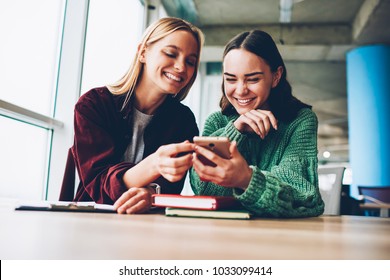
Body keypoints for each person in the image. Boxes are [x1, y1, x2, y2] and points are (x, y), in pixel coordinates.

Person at [60, 17, 204, 214]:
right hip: (92, 219)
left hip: (148, 224)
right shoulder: (94, 105)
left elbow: (170, 187)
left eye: (190, 61)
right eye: (171, 53)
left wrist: (152, 195)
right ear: (143, 52)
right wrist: (153, 165)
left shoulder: (183, 121)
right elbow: (97, 182)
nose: (181, 67)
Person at [189, 30, 324, 218]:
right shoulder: (217, 122)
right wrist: (235, 131)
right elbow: (205, 193)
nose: (240, 90)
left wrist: (246, 179)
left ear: (276, 76)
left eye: (253, 79)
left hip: (282, 235)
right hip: (223, 235)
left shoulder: (300, 121)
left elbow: (301, 198)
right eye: (230, 79)